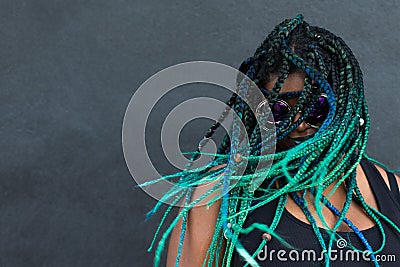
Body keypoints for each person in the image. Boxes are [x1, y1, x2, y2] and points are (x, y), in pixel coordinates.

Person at [147, 15, 400, 266]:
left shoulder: (394, 192)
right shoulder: (213, 198)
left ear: (346, 105)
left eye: (316, 108)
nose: (299, 124)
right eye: (280, 112)